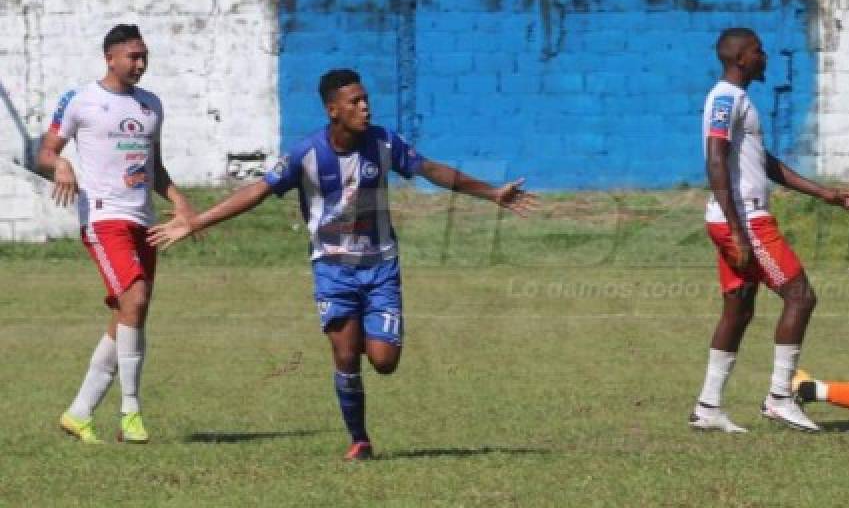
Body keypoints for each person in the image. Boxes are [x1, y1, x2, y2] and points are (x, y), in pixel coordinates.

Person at [149, 68, 536, 460]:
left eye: (366, 100)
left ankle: (368, 334)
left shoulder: (384, 142)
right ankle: (360, 439)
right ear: (333, 110)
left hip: (381, 266)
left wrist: (491, 193)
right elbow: (257, 191)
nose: (365, 107)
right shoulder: (307, 154)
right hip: (332, 267)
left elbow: (432, 169)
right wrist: (196, 221)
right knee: (346, 355)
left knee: (384, 360)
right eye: (355, 102)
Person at [692, 27, 849, 434]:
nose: (765, 57)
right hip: (744, 220)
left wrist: (824, 194)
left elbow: (764, 164)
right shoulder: (726, 98)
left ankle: (708, 406)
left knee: (739, 309)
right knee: (800, 297)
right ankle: (780, 398)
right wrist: (737, 229)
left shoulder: (740, 102)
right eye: (758, 51)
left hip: (736, 218)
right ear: (741, 58)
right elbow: (715, 160)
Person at [37, 23, 197, 445]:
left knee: (130, 313)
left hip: (143, 221)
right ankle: (131, 411)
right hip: (103, 218)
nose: (141, 64)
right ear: (110, 57)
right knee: (136, 297)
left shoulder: (151, 106)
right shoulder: (80, 100)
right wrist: (62, 165)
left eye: (145, 56)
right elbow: (45, 150)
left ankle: (79, 413)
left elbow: (154, 169)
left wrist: (179, 201)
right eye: (133, 56)